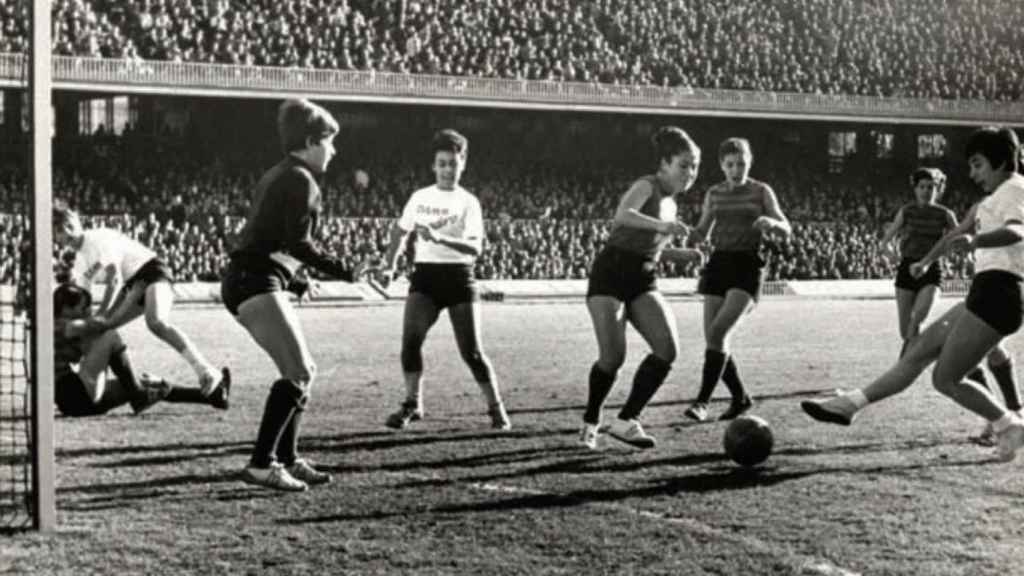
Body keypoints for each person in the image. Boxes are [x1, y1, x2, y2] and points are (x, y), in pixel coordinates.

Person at [802, 126, 1024, 462]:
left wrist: (977, 242)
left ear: (1000, 161)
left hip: (1001, 293)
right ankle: (850, 404)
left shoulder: (1015, 188)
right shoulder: (988, 201)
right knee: (918, 349)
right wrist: (925, 262)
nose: (972, 173)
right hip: (985, 291)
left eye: (978, 164)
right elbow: (954, 237)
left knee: (945, 379)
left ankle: (1009, 423)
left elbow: (1018, 229)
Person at [221, 98, 370, 491]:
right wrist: (346, 270)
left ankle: (287, 458)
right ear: (309, 140)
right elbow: (297, 243)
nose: (334, 150)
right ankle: (261, 463)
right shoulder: (302, 179)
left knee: (303, 372)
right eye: (329, 141)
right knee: (299, 371)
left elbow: (267, 238)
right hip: (254, 281)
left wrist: (294, 281)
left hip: (252, 278)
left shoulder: (280, 174)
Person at [578, 126, 704, 450]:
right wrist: (662, 226)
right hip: (611, 273)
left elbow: (651, 249)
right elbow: (623, 216)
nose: (690, 173)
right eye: (684, 165)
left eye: (695, 166)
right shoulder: (646, 185)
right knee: (613, 357)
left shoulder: (673, 204)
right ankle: (591, 421)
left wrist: (680, 254)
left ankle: (626, 420)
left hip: (643, 277)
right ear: (664, 164)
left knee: (667, 349)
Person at [379, 129, 511, 431]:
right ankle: (413, 404)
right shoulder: (420, 197)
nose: (448, 170)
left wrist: (440, 237)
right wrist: (390, 265)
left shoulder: (468, 202)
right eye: (442, 163)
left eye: (453, 163)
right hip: (425, 275)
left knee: (472, 352)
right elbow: (400, 231)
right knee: (410, 343)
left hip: (459, 277)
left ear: (462, 164)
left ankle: (496, 407)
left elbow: (475, 248)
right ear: (433, 166)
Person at [54, 203, 229, 397]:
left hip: (152, 271)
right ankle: (133, 391)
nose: (67, 233)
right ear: (55, 236)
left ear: (78, 222)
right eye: (60, 231)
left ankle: (205, 370)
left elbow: (114, 279)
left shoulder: (97, 238)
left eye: (70, 225)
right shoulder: (80, 262)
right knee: (103, 330)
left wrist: (102, 314)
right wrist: (85, 325)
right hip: (132, 285)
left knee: (156, 322)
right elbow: (84, 303)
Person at [684, 138, 791, 422]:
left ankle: (702, 402)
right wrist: (684, 233)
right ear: (722, 165)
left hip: (747, 265)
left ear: (749, 162)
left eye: (741, 163)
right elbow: (702, 231)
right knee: (714, 338)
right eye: (730, 164)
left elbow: (786, 227)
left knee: (718, 333)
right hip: (719, 263)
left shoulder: (761, 191)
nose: (736, 169)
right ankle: (740, 398)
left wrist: (772, 224)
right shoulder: (714, 193)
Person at [53, 283, 229, 417]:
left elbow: (99, 323)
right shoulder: (63, 326)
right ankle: (137, 395)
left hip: (78, 399)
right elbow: (104, 323)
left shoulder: (69, 326)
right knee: (110, 335)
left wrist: (123, 295)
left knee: (149, 383)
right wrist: (124, 295)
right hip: (74, 393)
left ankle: (213, 396)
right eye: (83, 307)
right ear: (66, 308)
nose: (87, 311)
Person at [879, 168, 957, 357]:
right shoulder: (907, 211)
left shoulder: (946, 214)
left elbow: (957, 240)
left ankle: (904, 364)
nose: (926, 191)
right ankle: (917, 355)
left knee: (917, 320)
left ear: (937, 190)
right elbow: (886, 240)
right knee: (905, 330)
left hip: (931, 270)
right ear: (915, 189)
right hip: (907, 268)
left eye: (930, 187)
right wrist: (888, 251)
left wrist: (939, 255)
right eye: (922, 187)